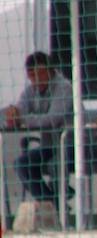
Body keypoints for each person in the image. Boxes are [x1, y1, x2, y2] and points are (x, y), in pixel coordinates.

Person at [3, 51, 73, 202]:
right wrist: (12, 113)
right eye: (32, 75)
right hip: (50, 146)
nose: (37, 79)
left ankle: (60, 203)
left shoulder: (64, 87)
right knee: (22, 164)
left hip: (72, 145)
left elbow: (52, 119)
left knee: (57, 165)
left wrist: (21, 118)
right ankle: (50, 205)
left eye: (40, 73)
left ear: (51, 70)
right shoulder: (30, 90)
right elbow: (20, 109)